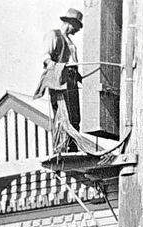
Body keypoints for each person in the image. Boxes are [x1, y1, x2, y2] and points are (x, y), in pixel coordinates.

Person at [34, 8, 98, 155]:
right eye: (77, 27)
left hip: (72, 80)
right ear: (71, 23)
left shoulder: (70, 42)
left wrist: (83, 80)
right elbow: (46, 57)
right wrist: (55, 68)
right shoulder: (54, 35)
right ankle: (63, 146)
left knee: (74, 114)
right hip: (60, 80)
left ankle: (73, 146)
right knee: (64, 114)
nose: (77, 31)